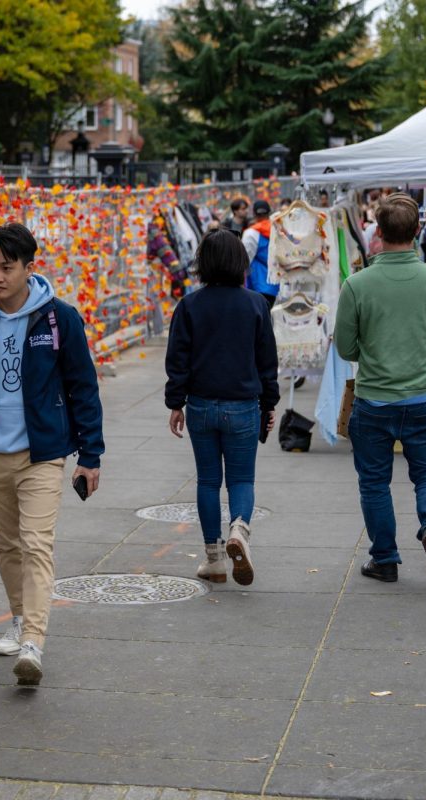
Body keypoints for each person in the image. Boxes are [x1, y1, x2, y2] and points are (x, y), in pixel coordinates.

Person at [0, 223, 104, 687]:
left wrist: (91, 454)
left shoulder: (58, 318)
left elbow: (83, 389)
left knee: (36, 544)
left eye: (6, 268)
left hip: (42, 452)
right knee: (7, 546)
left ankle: (33, 639)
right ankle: (18, 617)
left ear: (29, 268)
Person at [334, 193, 426, 587]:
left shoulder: (357, 285)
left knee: (374, 481)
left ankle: (384, 558)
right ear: (417, 231)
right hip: (423, 396)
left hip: (374, 399)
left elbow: (346, 349)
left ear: (379, 233)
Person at [165, 230, 279, 586]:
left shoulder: (190, 305)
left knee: (209, 481)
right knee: (242, 479)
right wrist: (269, 402)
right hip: (243, 405)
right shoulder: (257, 304)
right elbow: (267, 360)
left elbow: (178, 358)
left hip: (200, 405)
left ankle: (214, 559)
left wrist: (176, 402)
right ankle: (240, 530)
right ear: (239, 263)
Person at [242, 199, 278, 307]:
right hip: (276, 283)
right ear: (269, 213)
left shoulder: (250, 233)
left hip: (257, 284)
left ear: (253, 214)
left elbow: (244, 260)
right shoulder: (279, 230)